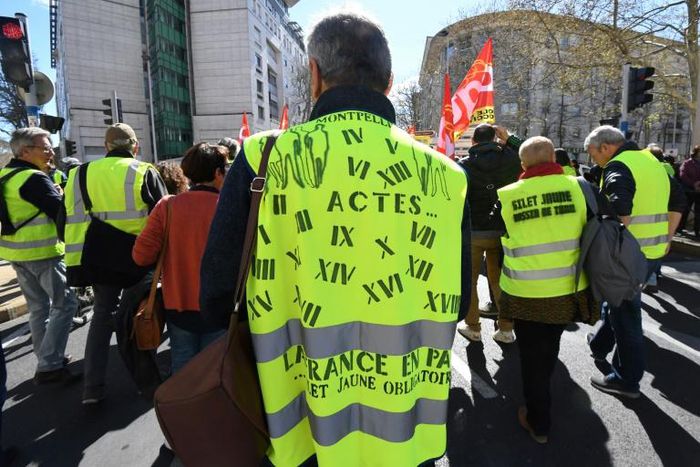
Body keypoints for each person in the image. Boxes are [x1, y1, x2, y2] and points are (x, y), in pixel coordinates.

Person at [200, 11, 470, 466]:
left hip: (299, 424)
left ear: (314, 74)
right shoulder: (446, 173)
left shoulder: (263, 159)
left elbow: (218, 292)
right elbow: (458, 301)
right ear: (388, 83)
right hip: (405, 428)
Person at [496, 136, 597, 444]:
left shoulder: (507, 195)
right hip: (566, 290)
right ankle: (540, 406)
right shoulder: (581, 188)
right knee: (548, 349)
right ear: (555, 157)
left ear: (523, 165)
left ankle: (538, 419)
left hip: (523, 290)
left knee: (529, 355)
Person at [62, 123, 167, 405]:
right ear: (135, 147)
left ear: (106, 147)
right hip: (138, 259)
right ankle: (145, 382)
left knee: (102, 316)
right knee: (143, 317)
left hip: (98, 258)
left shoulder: (79, 173)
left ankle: (92, 388)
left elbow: (65, 218)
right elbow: (163, 215)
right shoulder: (144, 171)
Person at [584, 126, 685, 398]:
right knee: (619, 304)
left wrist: (611, 252)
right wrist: (667, 239)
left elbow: (620, 212)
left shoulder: (618, 166)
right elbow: (678, 201)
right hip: (652, 253)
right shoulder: (652, 161)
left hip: (627, 256)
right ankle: (599, 344)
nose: (592, 159)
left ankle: (626, 379)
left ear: (605, 147)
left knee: (627, 315)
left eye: (592, 153)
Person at [133, 143, 226, 373]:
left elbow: (141, 256)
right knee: (215, 373)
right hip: (219, 306)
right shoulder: (227, 207)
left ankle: (183, 408)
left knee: (183, 370)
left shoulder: (168, 206)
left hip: (178, 306)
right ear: (217, 173)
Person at [1, 128, 79, 384]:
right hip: (43, 252)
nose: (50, 153)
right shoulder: (33, 178)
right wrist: (62, 194)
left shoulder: (5, 175)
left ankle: (47, 356)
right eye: (45, 148)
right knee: (65, 303)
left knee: (38, 308)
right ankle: (49, 364)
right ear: (25, 151)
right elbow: (60, 212)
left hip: (15, 253)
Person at [457, 123, 520, 343]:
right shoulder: (512, 158)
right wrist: (509, 137)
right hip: (503, 230)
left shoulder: (463, 165)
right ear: (495, 139)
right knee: (501, 281)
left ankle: (473, 327)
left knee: (470, 280)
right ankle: (505, 329)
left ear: (473, 142)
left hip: (473, 232)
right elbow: (532, 150)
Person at [679, 146, 700, 237]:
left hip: (699, 191)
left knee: (698, 212)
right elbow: (683, 175)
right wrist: (693, 184)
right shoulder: (687, 163)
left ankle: (697, 231)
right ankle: (680, 228)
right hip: (689, 191)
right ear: (696, 152)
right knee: (685, 211)